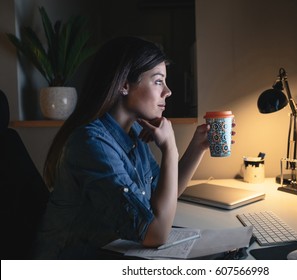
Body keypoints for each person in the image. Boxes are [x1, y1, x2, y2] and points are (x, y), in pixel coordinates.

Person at [34, 36, 233, 259]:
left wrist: (197, 147)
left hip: (113, 251)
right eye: (158, 81)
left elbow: (164, 195)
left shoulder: (134, 133)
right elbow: (156, 233)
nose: (167, 91)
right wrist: (169, 148)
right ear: (124, 85)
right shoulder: (91, 144)